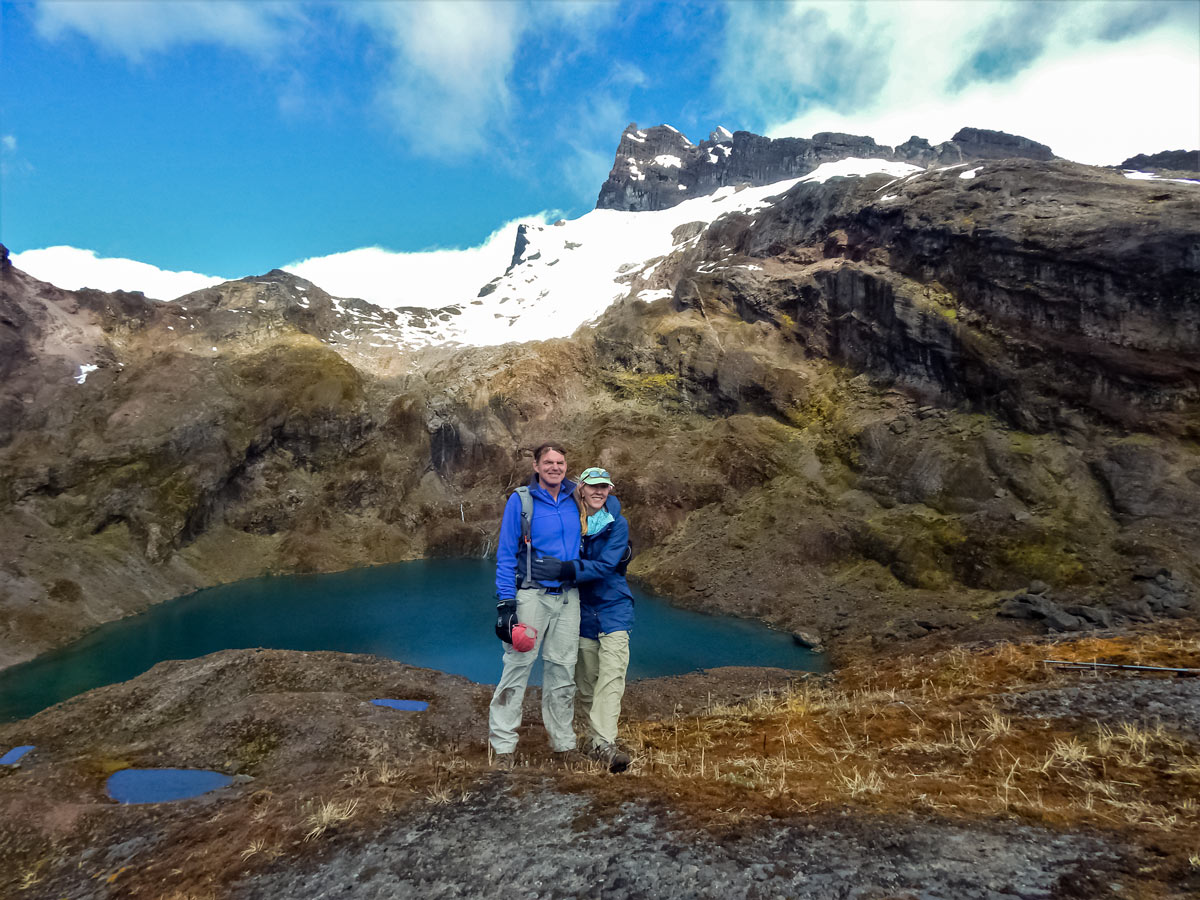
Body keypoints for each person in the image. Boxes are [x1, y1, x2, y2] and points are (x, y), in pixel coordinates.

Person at [532, 465, 633, 774]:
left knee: (612, 675)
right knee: (587, 682)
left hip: (614, 607)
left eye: (604, 487)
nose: (599, 491)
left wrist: (566, 570)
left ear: (610, 490)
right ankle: (593, 740)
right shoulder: (571, 520)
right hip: (581, 610)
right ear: (582, 489)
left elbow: (604, 566)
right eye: (593, 486)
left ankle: (604, 742)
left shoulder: (617, 524)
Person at [488, 442, 583, 770]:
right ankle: (503, 747)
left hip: (569, 598)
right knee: (517, 666)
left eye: (560, 462)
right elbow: (504, 555)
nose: (555, 467)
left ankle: (563, 742)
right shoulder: (522, 501)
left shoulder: (576, 498)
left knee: (563, 668)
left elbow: (602, 513)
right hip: (531, 596)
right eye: (549, 462)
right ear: (537, 466)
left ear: (566, 466)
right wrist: (505, 605)